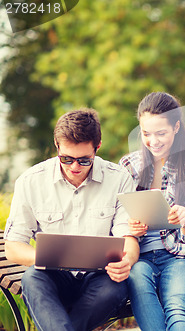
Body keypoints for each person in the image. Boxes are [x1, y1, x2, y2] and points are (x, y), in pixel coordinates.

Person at [4, 108, 140, 331]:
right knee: (32, 279)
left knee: (115, 287)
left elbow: (129, 238)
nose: (74, 167)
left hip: (100, 277)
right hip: (54, 276)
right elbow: (13, 247)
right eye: (66, 159)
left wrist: (128, 261)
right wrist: (48, 258)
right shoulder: (30, 182)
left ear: (98, 147)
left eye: (84, 160)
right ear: (57, 146)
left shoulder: (119, 179)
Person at [119, 92, 185, 331]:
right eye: (146, 133)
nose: (153, 141)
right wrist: (130, 228)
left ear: (177, 127)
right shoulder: (128, 166)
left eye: (161, 133)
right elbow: (116, 218)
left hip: (182, 257)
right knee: (137, 276)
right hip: (139, 258)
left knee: (177, 307)